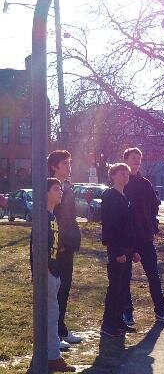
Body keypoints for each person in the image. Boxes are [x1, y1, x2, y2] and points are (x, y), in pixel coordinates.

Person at [122, 147, 164, 326]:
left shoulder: (145, 183)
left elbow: (154, 207)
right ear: (126, 160)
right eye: (133, 158)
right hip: (126, 238)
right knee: (124, 277)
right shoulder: (121, 184)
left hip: (145, 237)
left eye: (139, 158)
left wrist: (152, 227)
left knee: (154, 275)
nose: (136, 161)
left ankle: (161, 311)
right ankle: (127, 312)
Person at [30, 178, 76, 372]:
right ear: (45, 192)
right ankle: (51, 358)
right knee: (49, 315)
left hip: (54, 271)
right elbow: (35, 247)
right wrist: (44, 270)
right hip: (47, 273)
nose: (60, 192)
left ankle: (48, 356)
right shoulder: (42, 217)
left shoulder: (52, 216)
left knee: (52, 313)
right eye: (56, 189)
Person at [100, 163, 141, 337]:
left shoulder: (125, 196)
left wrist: (135, 250)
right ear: (113, 176)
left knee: (123, 288)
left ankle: (118, 321)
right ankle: (108, 324)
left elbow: (130, 225)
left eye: (127, 173)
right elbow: (110, 225)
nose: (125, 176)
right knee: (115, 287)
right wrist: (117, 252)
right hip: (117, 250)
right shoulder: (110, 196)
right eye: (121, 173)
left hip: (128, 249)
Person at [47, 150, 82, 346]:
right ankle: (54, 335)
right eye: (65, 163)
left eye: (70, 163)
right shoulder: (52, 187)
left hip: (68, 245)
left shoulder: (67, 186)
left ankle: (61, 329)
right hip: (57, 247)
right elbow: (53, 217)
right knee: (56, 291)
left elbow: (70, 217)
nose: (69, 167)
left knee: (65, 288)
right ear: (54, 166)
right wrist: (59, 244)